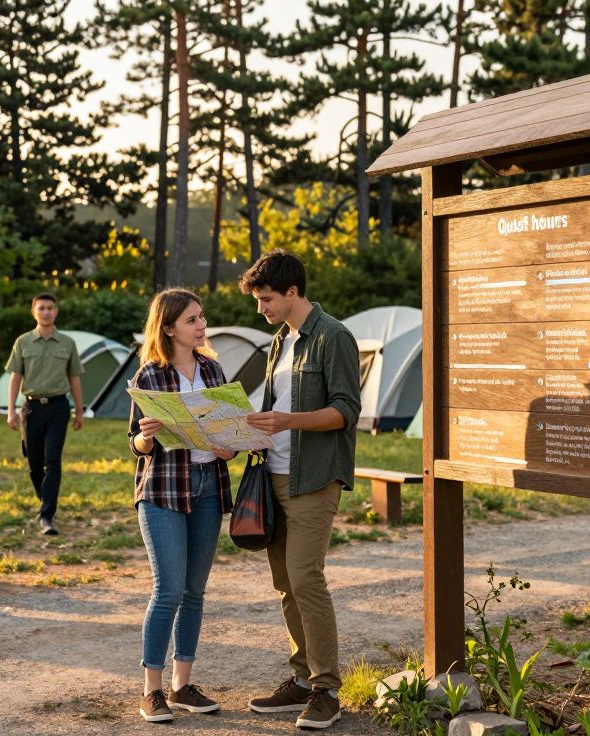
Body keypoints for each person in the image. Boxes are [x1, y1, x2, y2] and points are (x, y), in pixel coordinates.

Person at [239, 250, 361, 730]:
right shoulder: (278, 342)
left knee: (306, 577)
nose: (261, 308)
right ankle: (302, 679)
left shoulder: (335, 337)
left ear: (292, 292)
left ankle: (327, 689)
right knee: (285, 583)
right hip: (274, 474)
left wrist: (290, 421)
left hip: (314, 477)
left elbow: (345, 411)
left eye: (266, 299)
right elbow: (275, 407)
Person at [127, 288, 237, 723]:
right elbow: (135, 444)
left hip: (209, 486)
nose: (201, 325)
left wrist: (230, 446)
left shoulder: (213, 370)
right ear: (169, 327)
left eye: (202, 317)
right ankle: (152, 692)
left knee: (194, 592)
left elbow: (228, 436)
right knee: (168, 590)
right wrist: (147, 437)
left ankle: (182, 685)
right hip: (162, 490)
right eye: (192, 319)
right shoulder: (149, 376)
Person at [5, 293, 84, 536]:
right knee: (34, 464)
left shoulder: (67, 343)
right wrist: (11, 411)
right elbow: (15, 377)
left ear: (56, 311)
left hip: (59, 407)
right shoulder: (23, 342)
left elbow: (74, 378)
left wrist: (79, 410)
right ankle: (45, 499)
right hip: (31, 408)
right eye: (41, 308)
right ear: (34, 312)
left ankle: (47, 515)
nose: (46, 312)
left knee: (53, 460)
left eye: (50, 308)